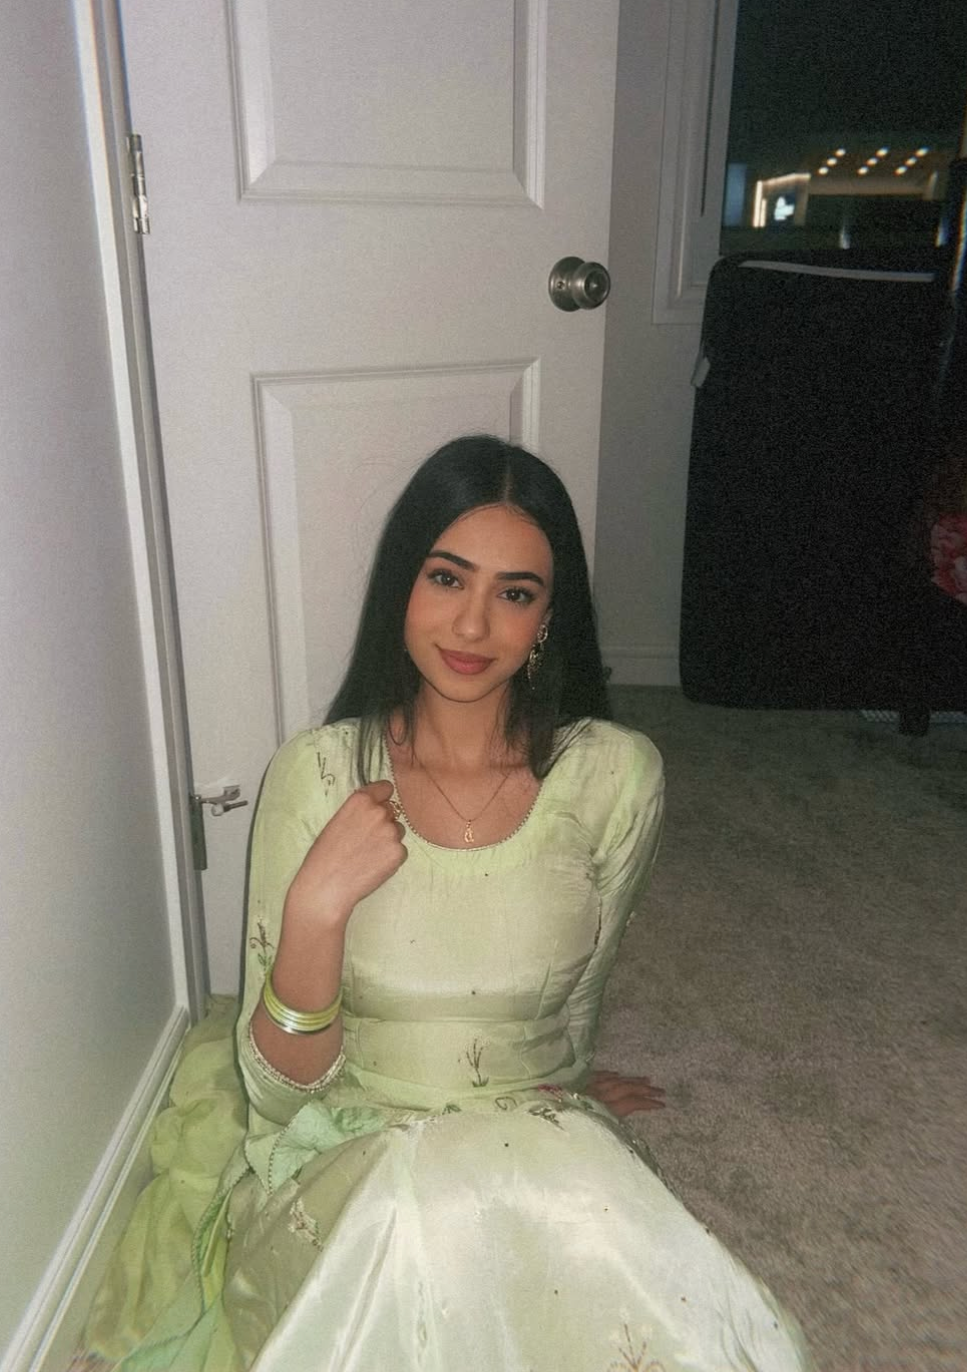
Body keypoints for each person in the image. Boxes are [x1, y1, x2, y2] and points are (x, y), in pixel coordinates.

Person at [79, 436, 811, 1371]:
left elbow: (582, 1002)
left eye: (515, 593)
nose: (472, 625)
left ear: (548, 618)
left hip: (530, 1136)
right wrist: (316, 908)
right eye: (446, 578)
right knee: (427, 1236)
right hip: (356, 1153)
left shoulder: (615, 775)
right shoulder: (317, 774)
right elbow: (274, 1097)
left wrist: (578, 1094)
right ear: (403, 586)